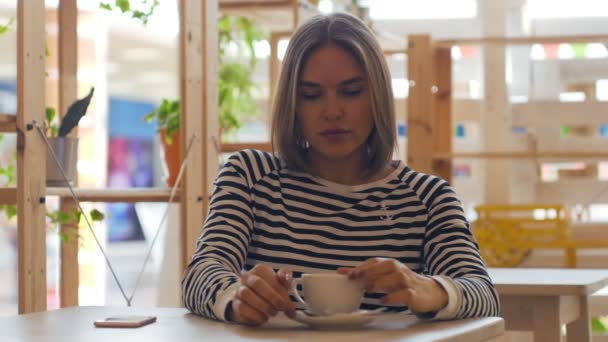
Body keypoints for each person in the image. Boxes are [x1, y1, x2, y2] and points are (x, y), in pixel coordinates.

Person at [182, 12, 500, 326]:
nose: (332, 111)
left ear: (377, 95)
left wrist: (428, 289)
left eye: (351, 92)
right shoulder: (250, 177)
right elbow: (200, 273)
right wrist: (236, 297)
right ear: (293, 104)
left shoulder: (428, 198)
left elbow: (483, 293)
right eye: (311, 95)